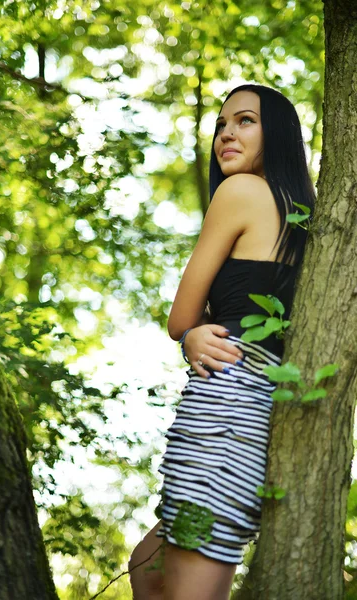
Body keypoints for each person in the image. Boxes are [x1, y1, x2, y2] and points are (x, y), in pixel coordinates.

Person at [129, 83, 316, 600]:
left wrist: (190, 333)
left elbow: (180, 317)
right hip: (256, 406)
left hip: (227, 405)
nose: (227, 134)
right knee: (146, 565)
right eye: (221, 125)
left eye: (245, 121)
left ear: (275, 133)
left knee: (185, 588)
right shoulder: (300, 212)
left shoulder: (239, 192)